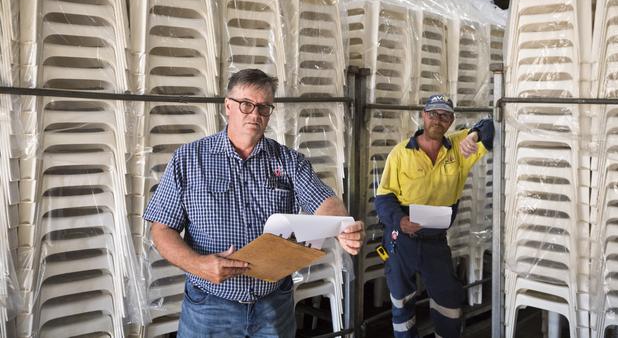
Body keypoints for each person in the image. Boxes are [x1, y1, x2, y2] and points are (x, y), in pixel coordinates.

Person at [143, 68, 365, 338]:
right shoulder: (189, 160)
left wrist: (341, 226)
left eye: (263, 108)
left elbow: (325, 201)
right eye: (246, 104)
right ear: (228, 105)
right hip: (211, 306)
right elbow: (161, 229)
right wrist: (198, 265)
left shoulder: (288, 161)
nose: (255, 114)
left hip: (273, 306)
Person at [374, 94, 494, 338]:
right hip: (401, 239)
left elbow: (490, 126)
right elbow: (383, 199)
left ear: (451, 121)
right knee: (401, 302)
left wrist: (474, 135)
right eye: (433, 114)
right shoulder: (400, 154)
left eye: (444, 116)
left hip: (435, 241)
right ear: (423, 115)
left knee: (448, 301)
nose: (437, 120)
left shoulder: (461, 148)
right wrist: (400, 221)